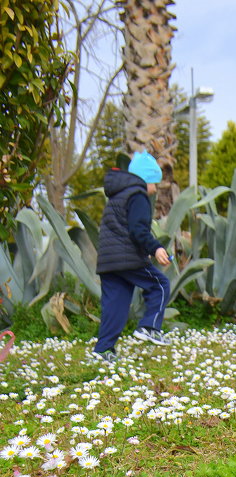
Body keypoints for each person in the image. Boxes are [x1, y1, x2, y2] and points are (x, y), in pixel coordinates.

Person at [92, 150, 172, 363]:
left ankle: (103, 350)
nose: (154, 189)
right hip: (127, 257)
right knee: (160, 284)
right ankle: (149, 326)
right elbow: (138, 230)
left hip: (109, 260)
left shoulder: (118, 194)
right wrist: (156, 248)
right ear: (145, 179)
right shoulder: (137, 196)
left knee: (115, 305)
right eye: (154, 183)